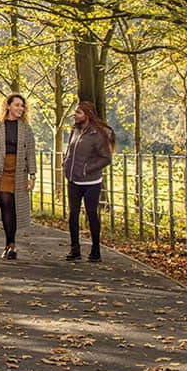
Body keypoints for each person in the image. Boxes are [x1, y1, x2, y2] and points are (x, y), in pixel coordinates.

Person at [0, 93, 37, 260]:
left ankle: (10, 244)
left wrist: (32, 176)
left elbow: (31, 152)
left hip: (18, 172)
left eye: (22, 106)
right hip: (0, 171)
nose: (20, 108)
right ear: (8, 106)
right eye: (17, 105)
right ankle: (10, 244)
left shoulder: (25, 128)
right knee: (5, 204)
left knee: (13, 207)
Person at [62, 101, 115, 262]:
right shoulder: (75, 130)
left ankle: (96, 250)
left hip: (91, 182)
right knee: (73, 215)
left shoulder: (97, 134)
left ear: (87, 115)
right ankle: (75, 249)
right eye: (75, 112)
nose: (75, 115)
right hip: (73, 180)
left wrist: (86, 169)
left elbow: (106, 158)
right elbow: (70, 150)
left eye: (78, 113)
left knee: (92, 214)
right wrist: (65, 161)